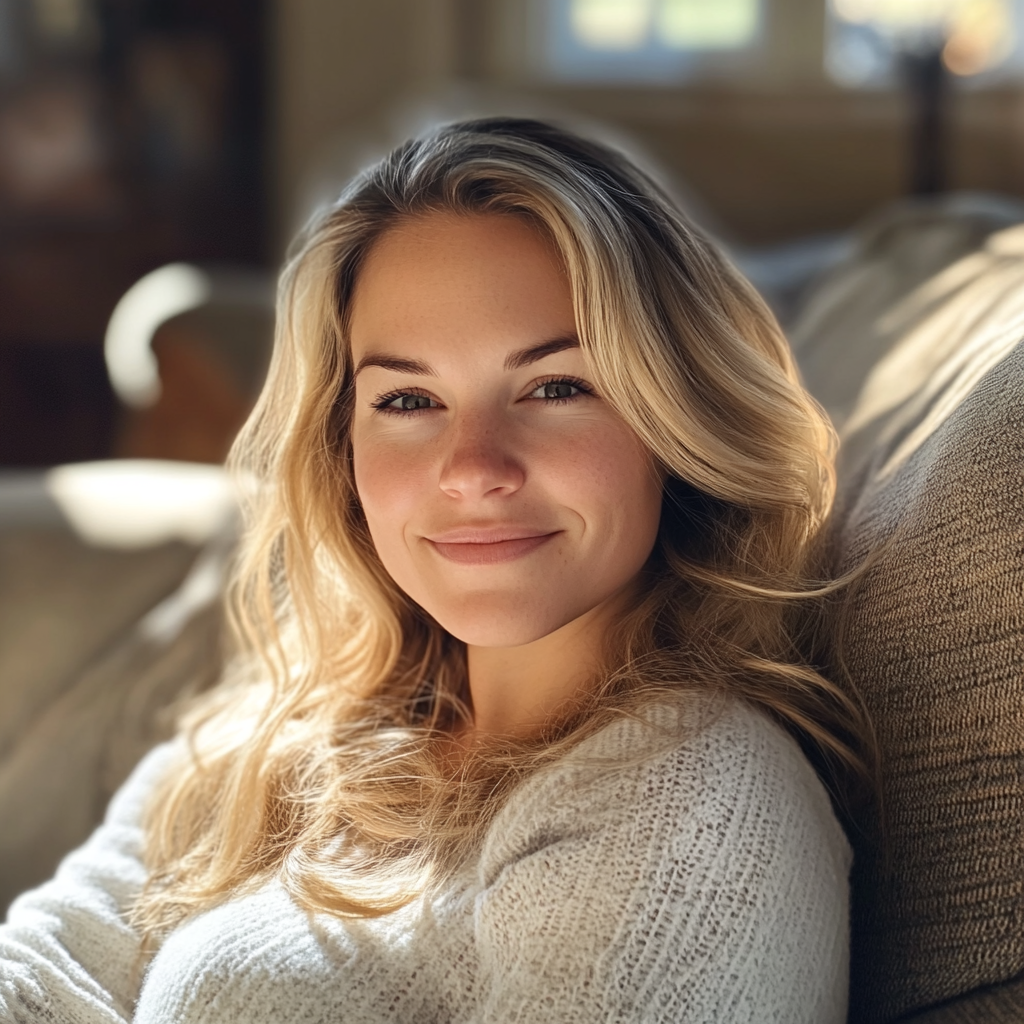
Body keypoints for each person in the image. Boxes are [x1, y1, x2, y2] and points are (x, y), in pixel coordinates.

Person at [0, 117, 869, 1023]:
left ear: (671, 419)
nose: (472, 467)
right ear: (342, 447)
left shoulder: (695, 811)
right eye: (409, 399)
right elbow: (49, 968)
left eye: (556, 387)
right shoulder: (285, 728)